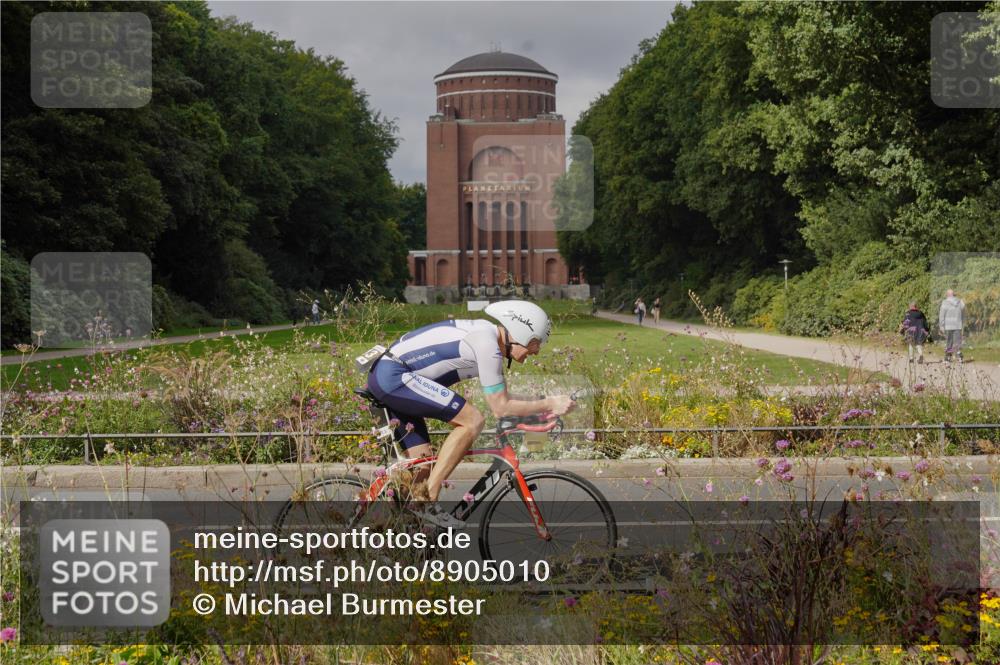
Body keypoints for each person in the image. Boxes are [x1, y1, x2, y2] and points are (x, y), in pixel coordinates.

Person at [365, 301, 575, 527]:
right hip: (395, 376)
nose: (536, 351)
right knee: (472, 421)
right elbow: (501, 408)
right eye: (535, 343)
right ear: (522, 333)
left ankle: (401, 540)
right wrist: (549, 404)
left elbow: (503, 397)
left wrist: (542, 405)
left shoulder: (487, 337)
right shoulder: (487, 345)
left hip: (394, 376)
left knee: (422, 467)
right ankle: (427, 500)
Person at [938, 289, 966, 362]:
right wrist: (962, 322)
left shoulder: (944, 302)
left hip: (948, 325)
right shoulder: (960, 302)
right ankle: (959, 357)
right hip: (957, 325)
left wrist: (941, 326)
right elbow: (963, 312)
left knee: (949, 342)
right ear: (954, 294)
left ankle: (948, 358)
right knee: (957, 342)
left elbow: (941, 315)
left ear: (947, 294)